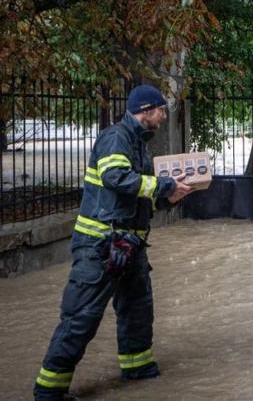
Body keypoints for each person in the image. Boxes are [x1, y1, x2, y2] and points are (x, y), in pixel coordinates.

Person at [34, 84, 193, 400]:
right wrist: (161, 185)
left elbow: (140, 197)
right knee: (81, 317)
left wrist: (170, 196)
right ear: (146, 110)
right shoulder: (116, 138)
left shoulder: (139, 145)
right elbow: (116, 178)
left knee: (137, 310)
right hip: (99, 245)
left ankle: (138, 369)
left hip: (129, 246)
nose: (163, 116)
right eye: (161, 110)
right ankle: (49, 391)